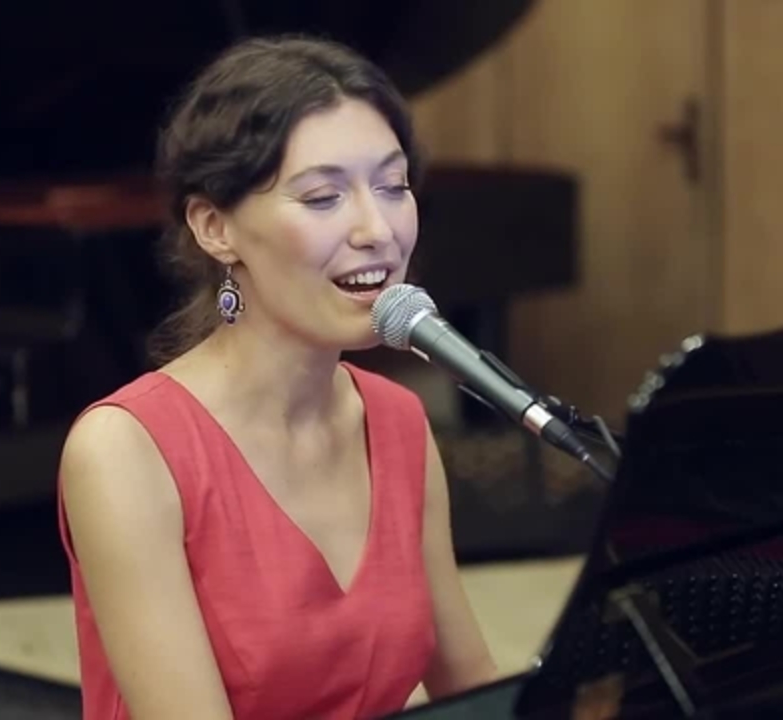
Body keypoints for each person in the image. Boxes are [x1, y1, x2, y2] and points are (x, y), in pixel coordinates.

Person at [56, 33, 498, 720]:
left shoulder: (397, 423)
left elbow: (473, 692)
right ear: (215, 227)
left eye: (393, 186)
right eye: (323, 197)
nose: (377, 230)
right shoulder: (125, 451)